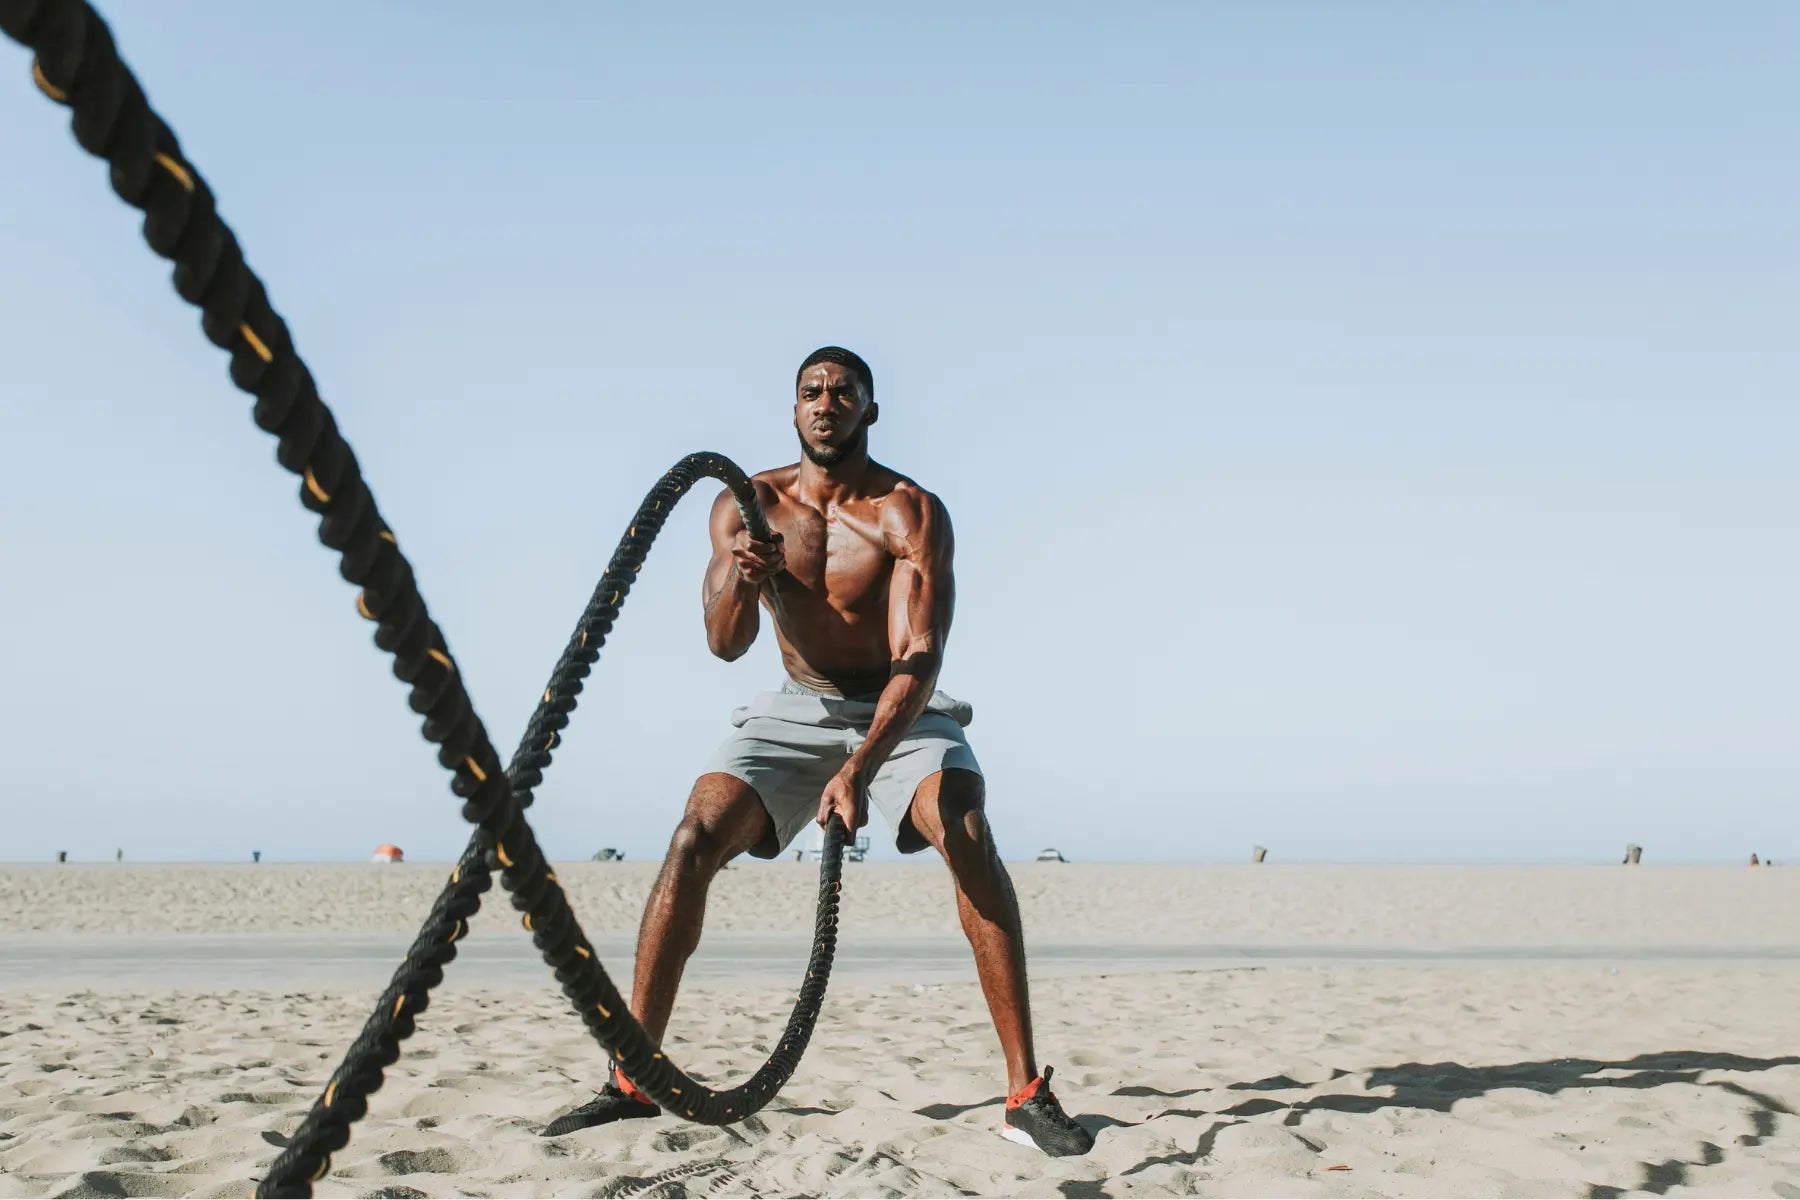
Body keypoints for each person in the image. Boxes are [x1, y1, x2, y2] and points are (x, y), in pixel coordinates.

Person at [541, 347, 1092, 1156]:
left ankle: (1024, 1093)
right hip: (798, 706)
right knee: (693, 834)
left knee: (966, 831)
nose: (825, 404)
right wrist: (741, 578)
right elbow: (725, 645)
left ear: (870, 410)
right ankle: (630, 1078)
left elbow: (920, 654)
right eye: (811, 392)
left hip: (903, 707)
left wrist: (860, 767)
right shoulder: (749, 505)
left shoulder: (909, 512)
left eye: (843, 393)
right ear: (793, 408)